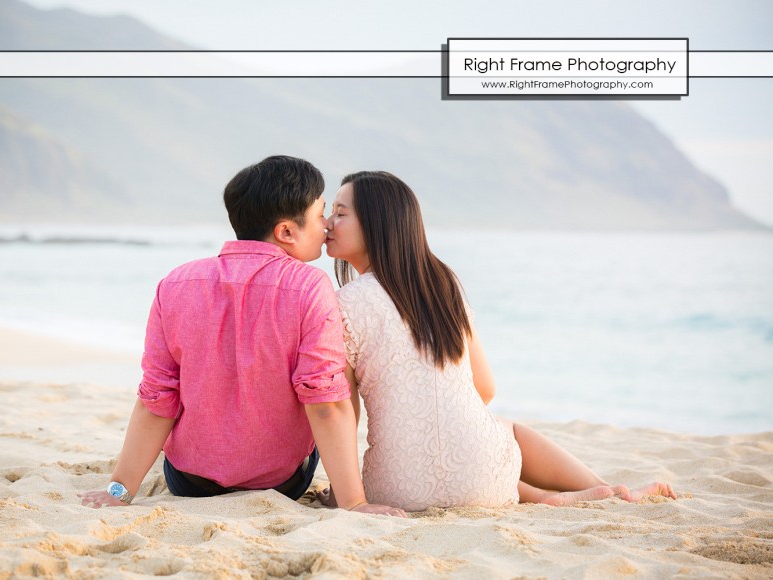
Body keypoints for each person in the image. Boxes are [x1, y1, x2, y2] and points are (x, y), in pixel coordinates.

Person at [318, 170, 676, 512]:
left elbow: (344, 413)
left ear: (377, 224)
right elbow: (485, 388)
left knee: (456, 443)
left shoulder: (342, 304)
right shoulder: (443, 286)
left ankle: (543, 495)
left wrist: (344, 494)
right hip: (485, 480)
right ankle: (603, 490)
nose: (327, 222)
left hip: (396, 489)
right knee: (505, 430)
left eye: (340, 213)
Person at [79, 156, 406, 518]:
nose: (327, 224)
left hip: (188, 483)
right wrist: (354, 504)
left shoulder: (174, 283)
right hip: (281, 484)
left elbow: (156, 399)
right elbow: (324, 405)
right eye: (319, 215)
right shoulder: (310, 287)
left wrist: (119, 491)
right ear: (286, 232)